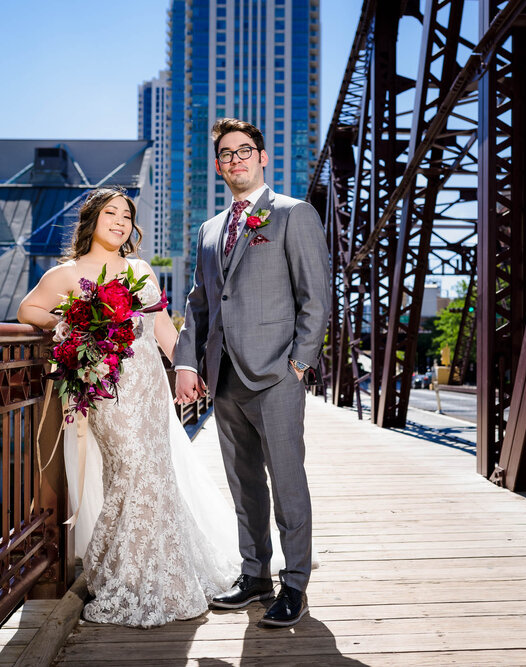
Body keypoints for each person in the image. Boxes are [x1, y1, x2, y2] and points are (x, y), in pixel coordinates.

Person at [17, 187, 237, 627]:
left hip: (148, 388)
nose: (119, 221)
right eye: (110, 212)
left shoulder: (139, 269)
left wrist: (188, 370)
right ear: (92, 220)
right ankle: (129, 576)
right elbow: (28, 310)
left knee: (152, 473)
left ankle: (144, 571)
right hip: (107, 389)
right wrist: (70, 321)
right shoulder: (68, 272)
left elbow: (160, 329)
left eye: (126, 215)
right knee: (132, 469)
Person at [174, 118, 330, 628]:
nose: (236, 159)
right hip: (223, 379)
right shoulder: (209, 229)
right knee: (243, 486)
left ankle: (295, 584)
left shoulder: (292, 214)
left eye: (245, 150)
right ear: (218, 166)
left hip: (275, 376)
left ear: (263, 158)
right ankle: (255, 575)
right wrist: (186, 361)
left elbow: (316, 298)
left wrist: (299, 364)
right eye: (226, 153)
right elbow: (201, 304)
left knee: (287, 484)